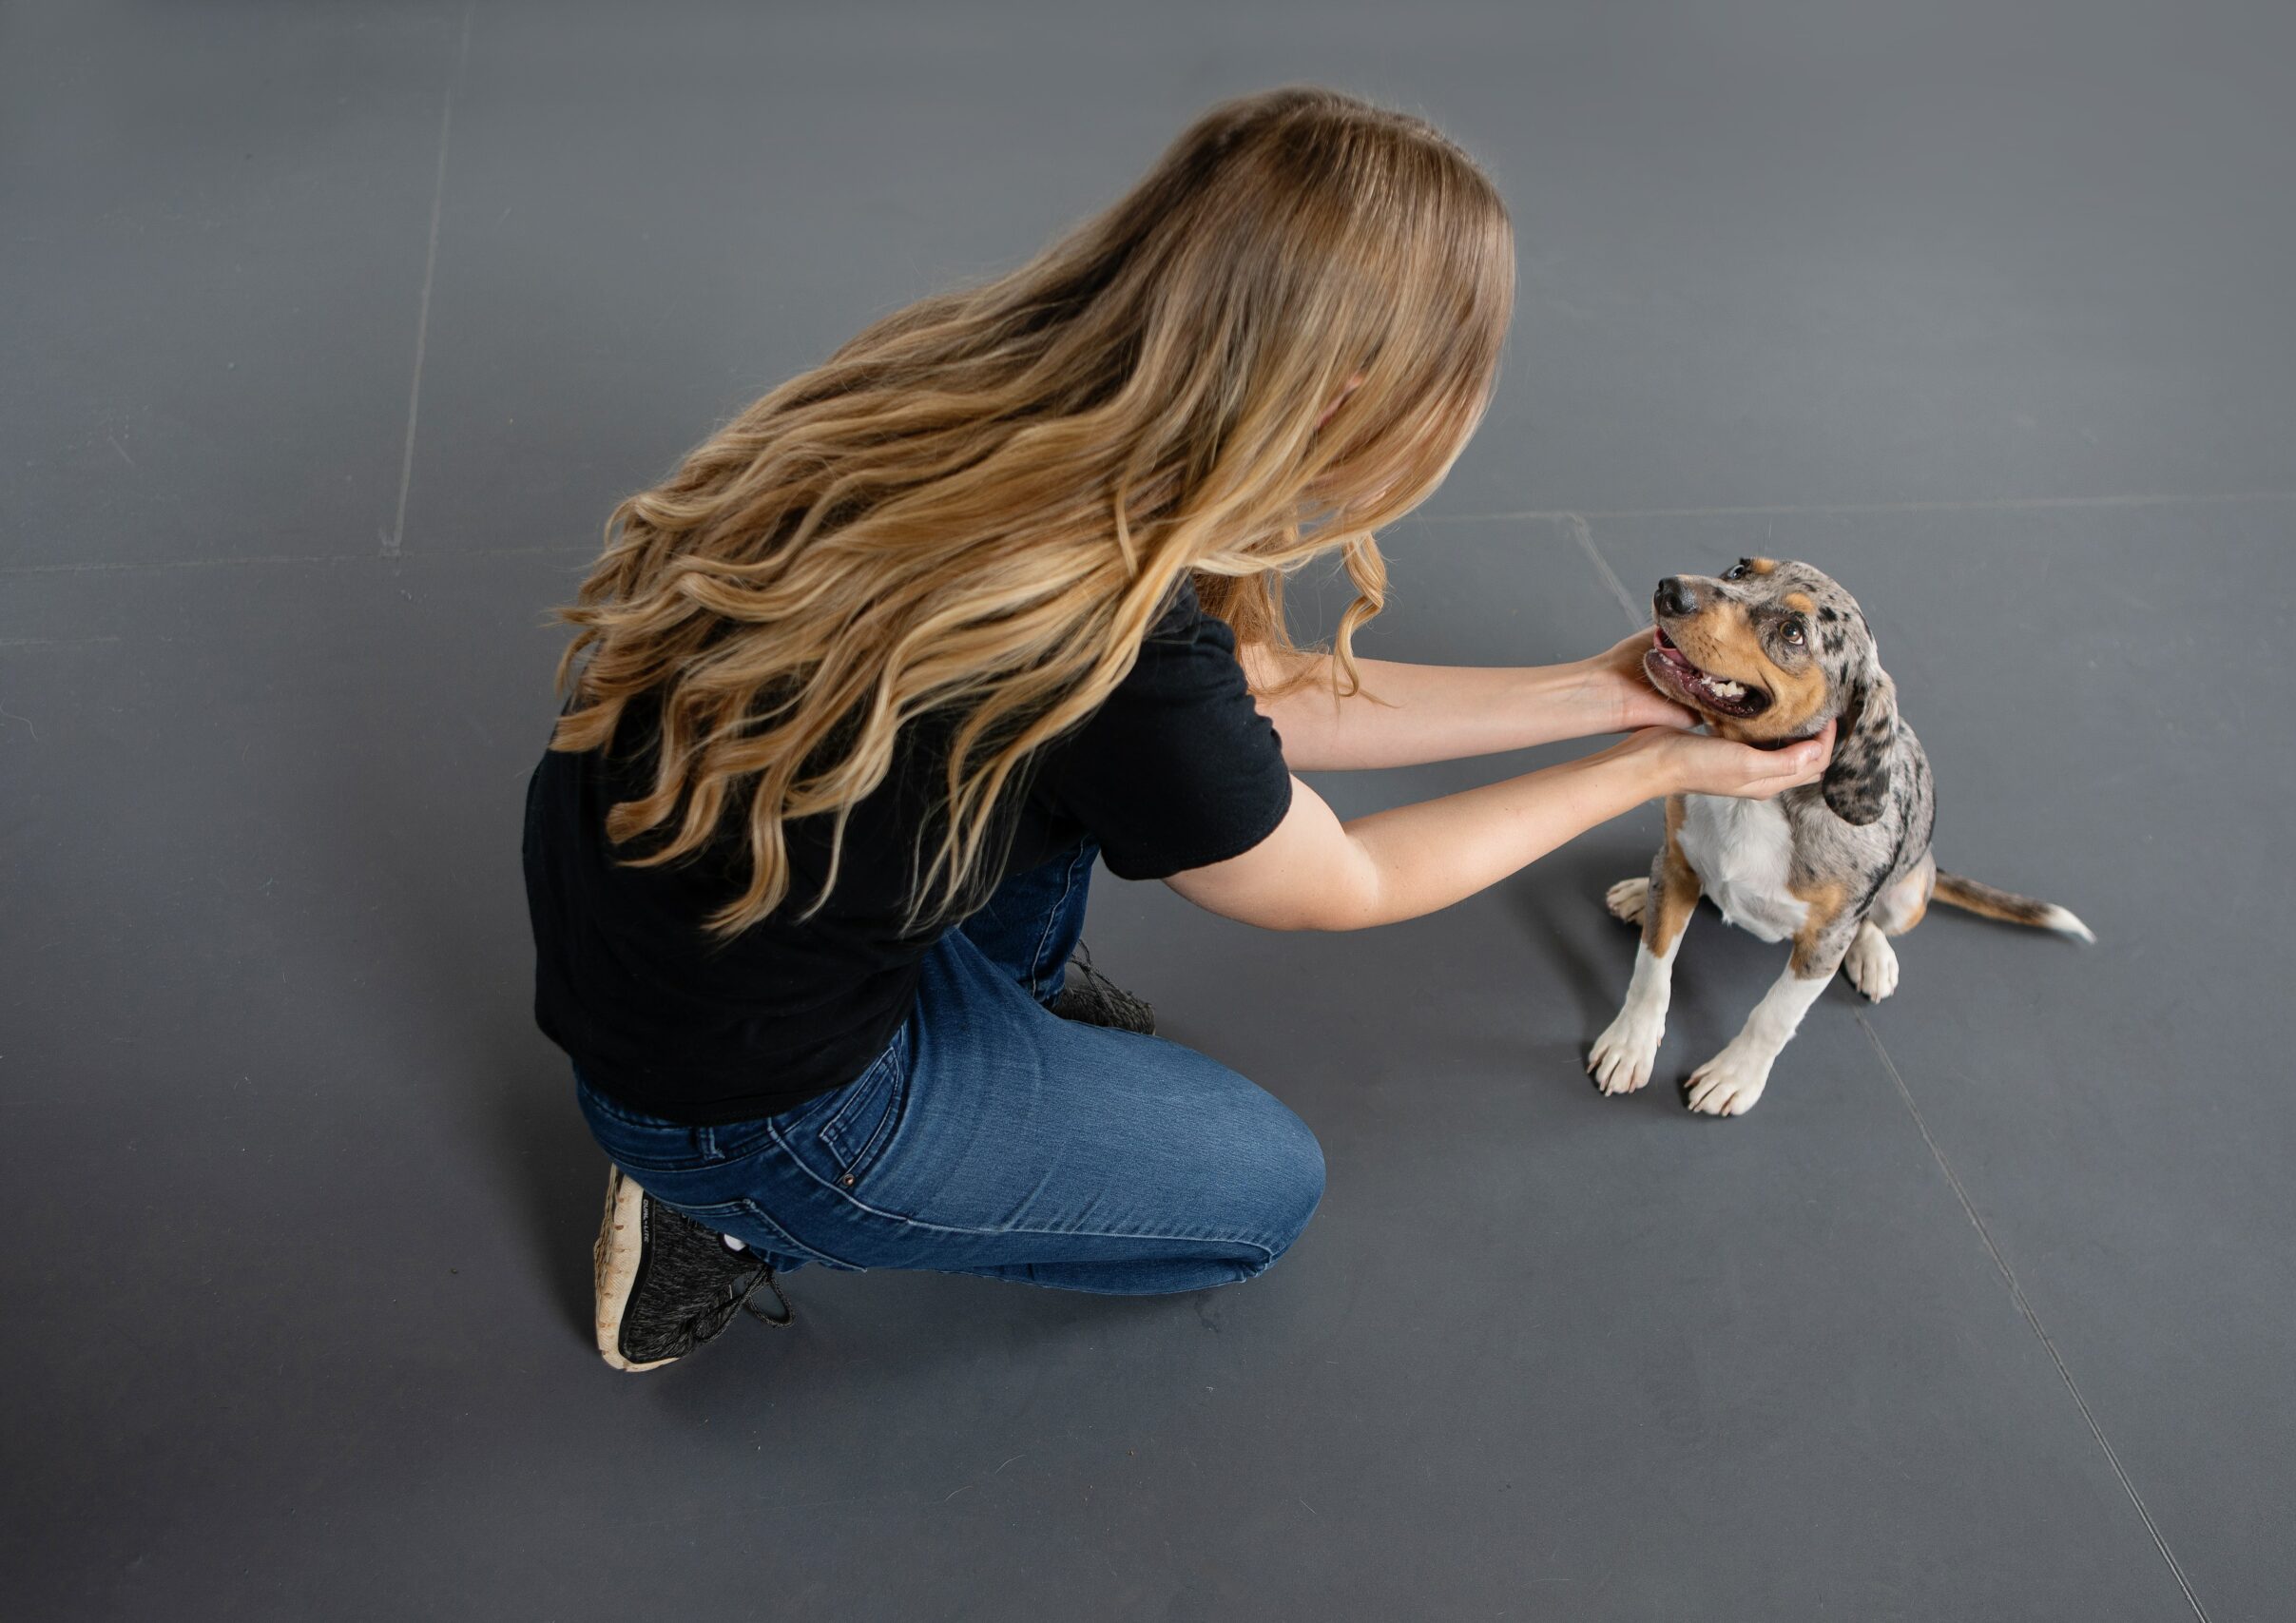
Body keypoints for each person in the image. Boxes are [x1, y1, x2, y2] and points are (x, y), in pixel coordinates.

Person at [521, 86, 1832, 1373]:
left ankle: (991, 1018)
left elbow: (1247, 702)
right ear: (1349, 393)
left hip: (701, 904)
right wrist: (1652, 764)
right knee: (1262, 1195)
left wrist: (1597, 692)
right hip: (746, 1099)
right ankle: (729, 1212)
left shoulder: (996, 387)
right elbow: (1345, 879)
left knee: (1084, 779)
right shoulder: (1104, 631)